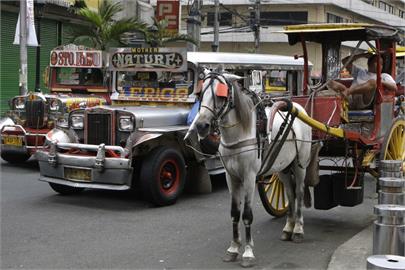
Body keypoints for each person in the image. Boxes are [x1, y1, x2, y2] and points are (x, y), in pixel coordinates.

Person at [327, 52, 397, 109]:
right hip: (350, 98)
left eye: (381, 64)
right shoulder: (360, 71)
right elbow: (345, 61)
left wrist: (380, 81)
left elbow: (394, 87)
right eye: (377, 62)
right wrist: (363, 55)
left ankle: (348, 91)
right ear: (369, 63)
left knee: (372, 82)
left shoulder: (384, 76)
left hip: (364, 101)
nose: (380, 65)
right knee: (330, 82)